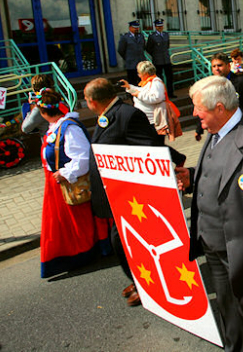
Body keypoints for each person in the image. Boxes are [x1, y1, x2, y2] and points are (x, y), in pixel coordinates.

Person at [176, 76, 243, 352]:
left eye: (199, 108)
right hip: (212, 244)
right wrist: (192, 178)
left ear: (220, 108)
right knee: (229, 313)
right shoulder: (214, 131)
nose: (194, 114)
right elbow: (220, 173)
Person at [84, 78, 185, 307]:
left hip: (134, 196)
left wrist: (175, 164)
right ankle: (139, 278)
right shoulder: (107, 116)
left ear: (92, 101)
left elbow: (150, 150)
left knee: (126, 241)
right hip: (118, 195)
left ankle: (148, 284)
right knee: (125, 241)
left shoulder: (128, 115)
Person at [36, 89, 105, 278]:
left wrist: (67, 173)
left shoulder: (69, 128)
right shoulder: (57, 126)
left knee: (76, 223)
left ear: (43, 113)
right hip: (55, 186)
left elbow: (83, 158)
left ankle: (82, 254)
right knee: (63, 225)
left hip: (69, 185)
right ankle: (68, 255)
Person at [120, 60, 176, 144]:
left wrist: (139, 95)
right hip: (148, 121)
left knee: (156, 144)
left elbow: (156, 98)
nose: (138, 75)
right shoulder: (148, 82)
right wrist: (129, 87)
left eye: (139, 73)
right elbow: (142, 90)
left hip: (154, 121)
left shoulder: (156, 82)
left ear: (145, 73)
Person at [146, 19, 175, 98]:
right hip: (157, 60)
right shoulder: (152, 36)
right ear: (155, 27)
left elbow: (167, 46)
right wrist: (155, 54)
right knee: (159, 78)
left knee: (169, 77)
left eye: (161, 26)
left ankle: (170, 93)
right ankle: (162, 94)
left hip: (166, 59)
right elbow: (148, 48)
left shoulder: (166, 34)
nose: (160, 27)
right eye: (158, 26)